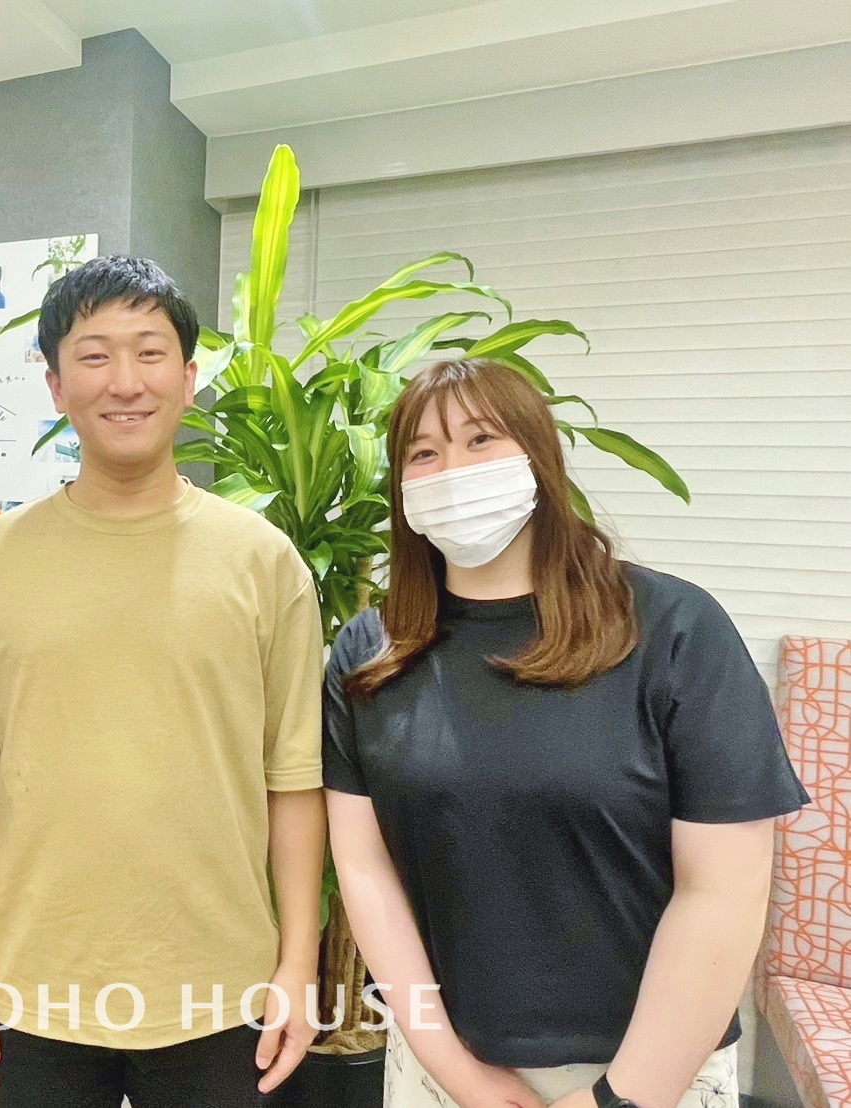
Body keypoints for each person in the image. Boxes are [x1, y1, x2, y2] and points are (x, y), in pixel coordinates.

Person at [322, 358, 808, 1108]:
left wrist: (619, 1098)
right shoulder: (369, 653)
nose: (452, 470)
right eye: (423, 452)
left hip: (652, 1072)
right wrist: (454, 1071)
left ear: (537, 458)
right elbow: (365, 869)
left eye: (480, 439)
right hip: (443, 1069)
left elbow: (724, 890)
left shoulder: (673, 630)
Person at [0, 255, 326, 1107]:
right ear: (55, 385)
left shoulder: (263, 561)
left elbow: (293, 776)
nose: (125, 381)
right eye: (94, 356)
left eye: (149, 352)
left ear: (189, 377)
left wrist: (297, 961)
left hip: (222, 985)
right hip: (34, 981)